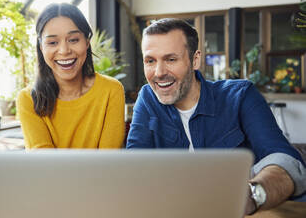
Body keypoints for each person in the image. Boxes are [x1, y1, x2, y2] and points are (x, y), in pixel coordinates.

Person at [126, 18, 306, 215]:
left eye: (171, 59)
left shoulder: (241, 96)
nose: (159, 73)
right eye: (150, 61)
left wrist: (251, 196)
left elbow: (286, 161)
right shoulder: (148, 97)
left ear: (195, 60)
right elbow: (135, 168)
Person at [17, 3, 125, 149]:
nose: (64, 50)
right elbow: (44, 164)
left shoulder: (111, 90)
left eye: (73, 40)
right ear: (41, 47)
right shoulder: (28, 99)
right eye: (53, 42)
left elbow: (108, 161)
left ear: (87, 42)